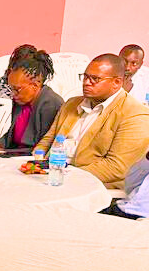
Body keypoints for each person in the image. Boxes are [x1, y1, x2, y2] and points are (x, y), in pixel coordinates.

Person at [36, 53, 149, 189]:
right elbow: (48, 140)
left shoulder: (135, 114)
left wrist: (64, 175)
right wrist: (35, 163)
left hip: (91, 186)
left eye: (95, 79)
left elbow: (116, 167)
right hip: (49, 175)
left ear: (116, 82)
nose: (86, 82)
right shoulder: (71, 103)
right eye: (85, 77)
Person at [0, 51, 64, 151]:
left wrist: (6, 152)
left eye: (17, 89)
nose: (13, 94)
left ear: (35, 85)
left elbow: (43, 145)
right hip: (14, 152)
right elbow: (12, 135)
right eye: (10, 89)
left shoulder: (51, 104)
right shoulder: (21, 100)